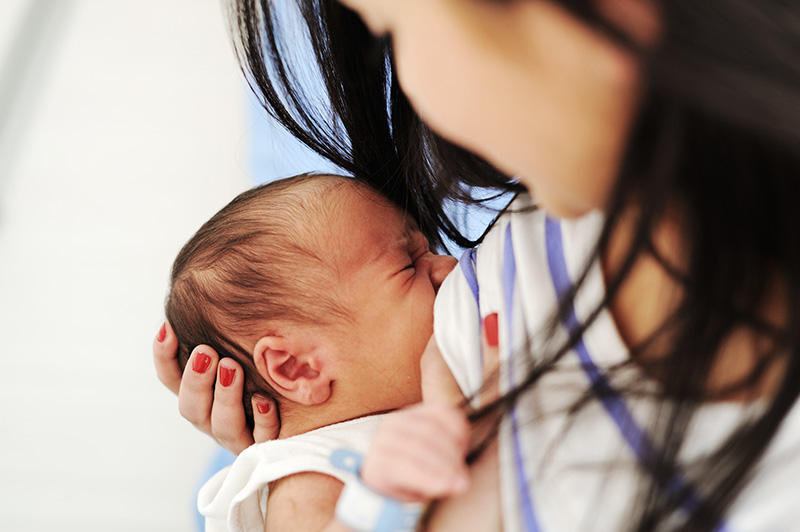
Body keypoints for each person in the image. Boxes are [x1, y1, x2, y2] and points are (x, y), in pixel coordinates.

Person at [153, 0, 800, 530]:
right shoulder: (516, 255)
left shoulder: (503, 273)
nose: (446, 263)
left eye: (395, 32)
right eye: (388, 32)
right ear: (295, 367)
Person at [164, 172, 465, 530]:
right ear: (299, 368)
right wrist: (381, 497)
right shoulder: (308, 472)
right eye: (409, 265)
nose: (449, 266)